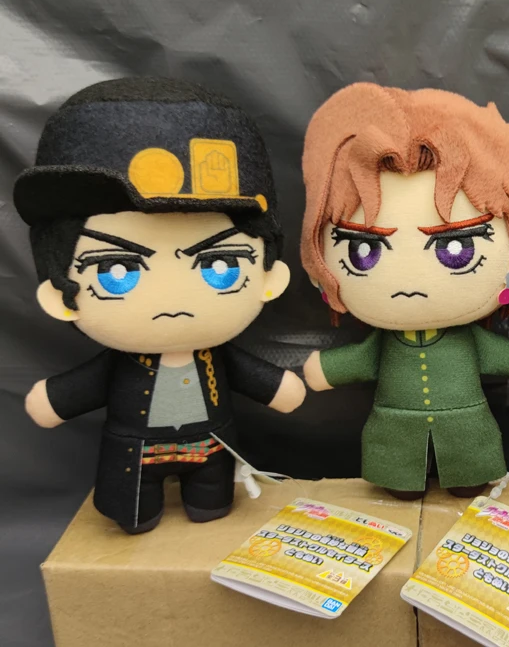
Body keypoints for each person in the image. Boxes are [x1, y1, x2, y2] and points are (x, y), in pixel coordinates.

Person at [17, 77, 306, 533]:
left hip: (211, 451)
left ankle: (205, 505)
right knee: (133, 515)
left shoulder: (217, 354)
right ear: (59, 292)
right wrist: (56, 399)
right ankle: (141, 514)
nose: (172, 298)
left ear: (269, 276)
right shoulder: (121, 363)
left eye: (220, 265)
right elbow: (88, 384)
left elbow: (249, 374)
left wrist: (276, 387)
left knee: (211, 509)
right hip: (133, 457)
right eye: (116, 270)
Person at [300, 84, 509, 500]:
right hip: (395, 427)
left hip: (466, 426)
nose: (410, 283)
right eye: (363, 250)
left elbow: (494, 353)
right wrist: (328, 369)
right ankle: (402, 480)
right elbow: (362, 358)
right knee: (400, 475)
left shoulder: (467, 339)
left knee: (468, 472)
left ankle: (467, 476)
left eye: (457, 248)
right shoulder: (385, 344)